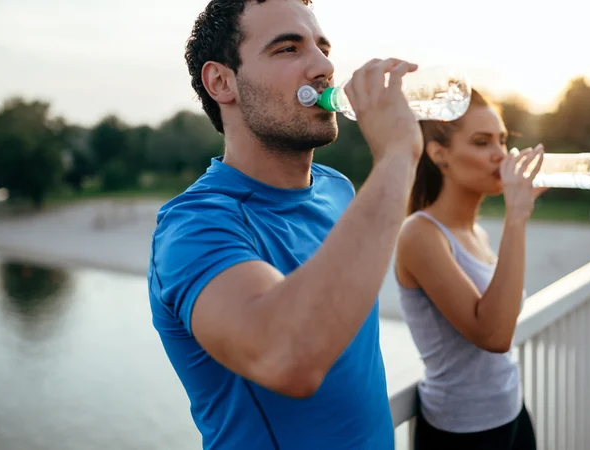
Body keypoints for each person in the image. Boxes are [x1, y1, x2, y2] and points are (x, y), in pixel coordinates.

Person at [147, 0, 425, 448]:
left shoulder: (338, 189)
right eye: (287, 49)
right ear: (222, 82)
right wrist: (396, 156)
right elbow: (286, 357)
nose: (324, 66)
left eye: (322, 47)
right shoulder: (192, 228)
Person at [394, 88, 544, 450]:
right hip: (463, 431)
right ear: (439, 154)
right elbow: (494, 335)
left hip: (510, 412)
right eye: (482, 142)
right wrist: (517, 218)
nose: (501, 155)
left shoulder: (475, 233)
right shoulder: (420, 234)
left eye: (502, 141)